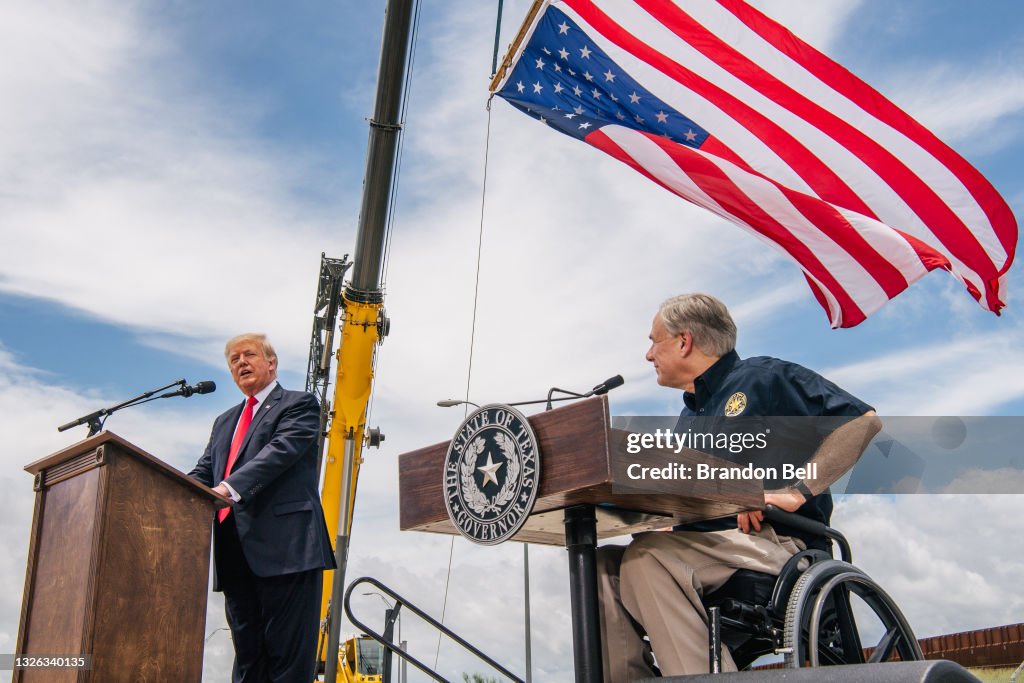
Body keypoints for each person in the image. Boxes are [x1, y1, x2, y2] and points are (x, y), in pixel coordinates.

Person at [598, 294, 879, 681]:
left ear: (684, 341)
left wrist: (796, 491)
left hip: (775, 545)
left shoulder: (764, 377)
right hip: (704, 549)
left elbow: (861, 423)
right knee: (600, 568)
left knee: (647, 558)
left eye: (653, 341)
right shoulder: (688, 417)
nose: (648, 355)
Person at [189, 333, 335, 683]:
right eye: (233, 359)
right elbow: (205, 469)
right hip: (235, 552)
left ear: (271, 363)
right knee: (248, 659)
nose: (241, 362)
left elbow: (279, 452)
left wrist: (229, 488)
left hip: (287, 552)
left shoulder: (300, 405)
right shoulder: (224, 421)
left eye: (249, 354)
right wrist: (168, 490)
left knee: (287, 661)